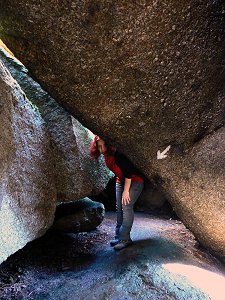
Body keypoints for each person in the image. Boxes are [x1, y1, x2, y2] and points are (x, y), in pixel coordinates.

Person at [90, 135, 144, 250]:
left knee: (126, 205)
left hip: (134, 180)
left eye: (103, 146)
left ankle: (125, 239)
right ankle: (118, 237)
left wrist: (126, 191)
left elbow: (129, 173)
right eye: (98, 146)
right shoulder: (106, 155)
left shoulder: (118, 154)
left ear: (108, 145)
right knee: (119, 207)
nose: (101, 149)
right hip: (121, 180)